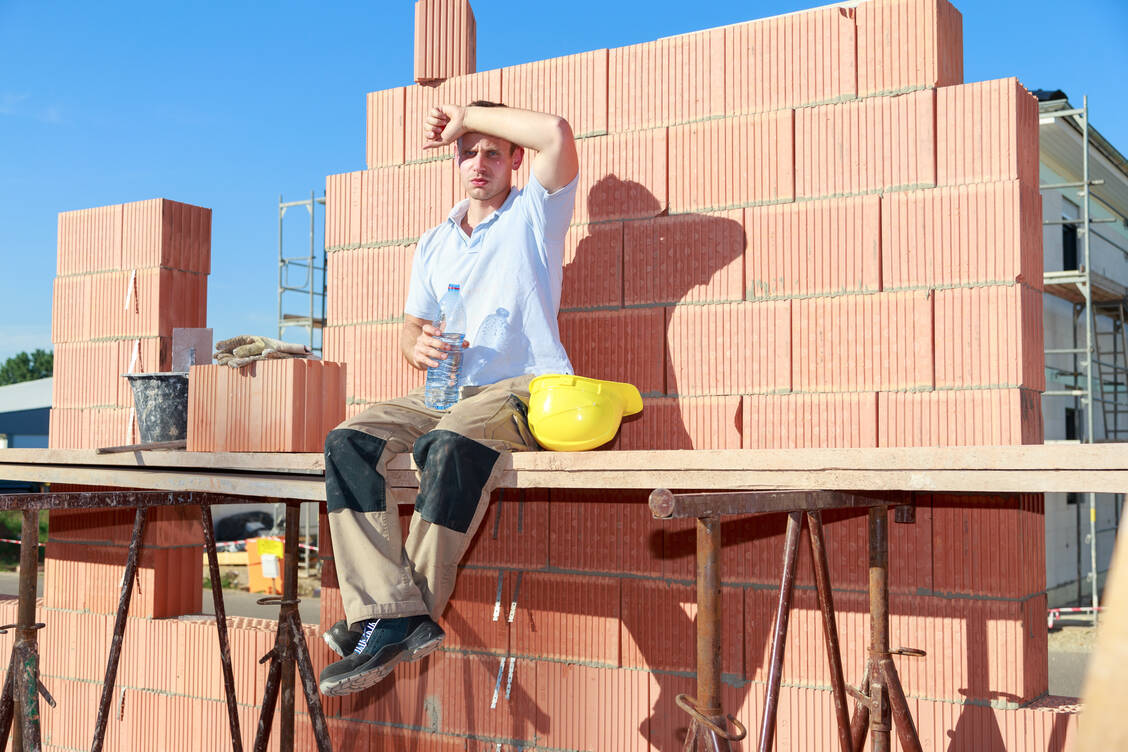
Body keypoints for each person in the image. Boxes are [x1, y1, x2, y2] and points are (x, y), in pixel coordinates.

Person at [318, 101, 580, 696]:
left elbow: (555, 133)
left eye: (493, 150)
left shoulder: (535, 215)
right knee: (348, 442)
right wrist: (414, 346)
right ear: (454, 161)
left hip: (520, 389)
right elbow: (413, 326)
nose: (478, 161)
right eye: (467, 151)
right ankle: (393, 611)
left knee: (449, 443)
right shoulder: (435, 242)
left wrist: (467, 115)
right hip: (443, 392)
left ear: (516, 158)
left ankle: (392, 617)